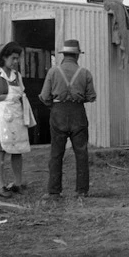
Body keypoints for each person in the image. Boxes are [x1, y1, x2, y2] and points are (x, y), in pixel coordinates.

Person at [39, 39, 97, 198]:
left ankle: (54, 191)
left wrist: (54, 105)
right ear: (77, 55)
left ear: (64, 54)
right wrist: (77, 99)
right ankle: (82, 190)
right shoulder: (85, 73)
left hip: (58, 113)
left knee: (56, 153)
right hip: (78, 113)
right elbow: (92, 97)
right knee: (81, 152)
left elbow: (44, 96)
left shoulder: (53, 72)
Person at [0, 42, 35, 198]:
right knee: (0, 151)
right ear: (3, 58)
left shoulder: (17, 76)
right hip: (0, 120)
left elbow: (22, 96)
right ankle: (1, 185)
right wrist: (5, 97)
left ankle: (17, 183)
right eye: (13, 58)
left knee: (18, 150)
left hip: (16, 118)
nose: (16, 61)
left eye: (18, 58)